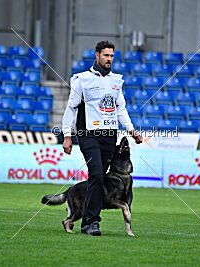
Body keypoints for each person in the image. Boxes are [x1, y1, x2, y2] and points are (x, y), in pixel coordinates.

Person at [62, 40, 142, 236]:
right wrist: (67, 135)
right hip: (88, 135)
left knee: (99, 179)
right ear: (97, 55)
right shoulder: (82, 79)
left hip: (109, 137)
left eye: (112, 56)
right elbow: (71, 108)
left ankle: (86, 220)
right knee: (97, 174)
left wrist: (131, 130)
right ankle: (91, 222)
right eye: (106, 55)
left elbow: (121, 109)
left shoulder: (116, 81)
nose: (109, 59)